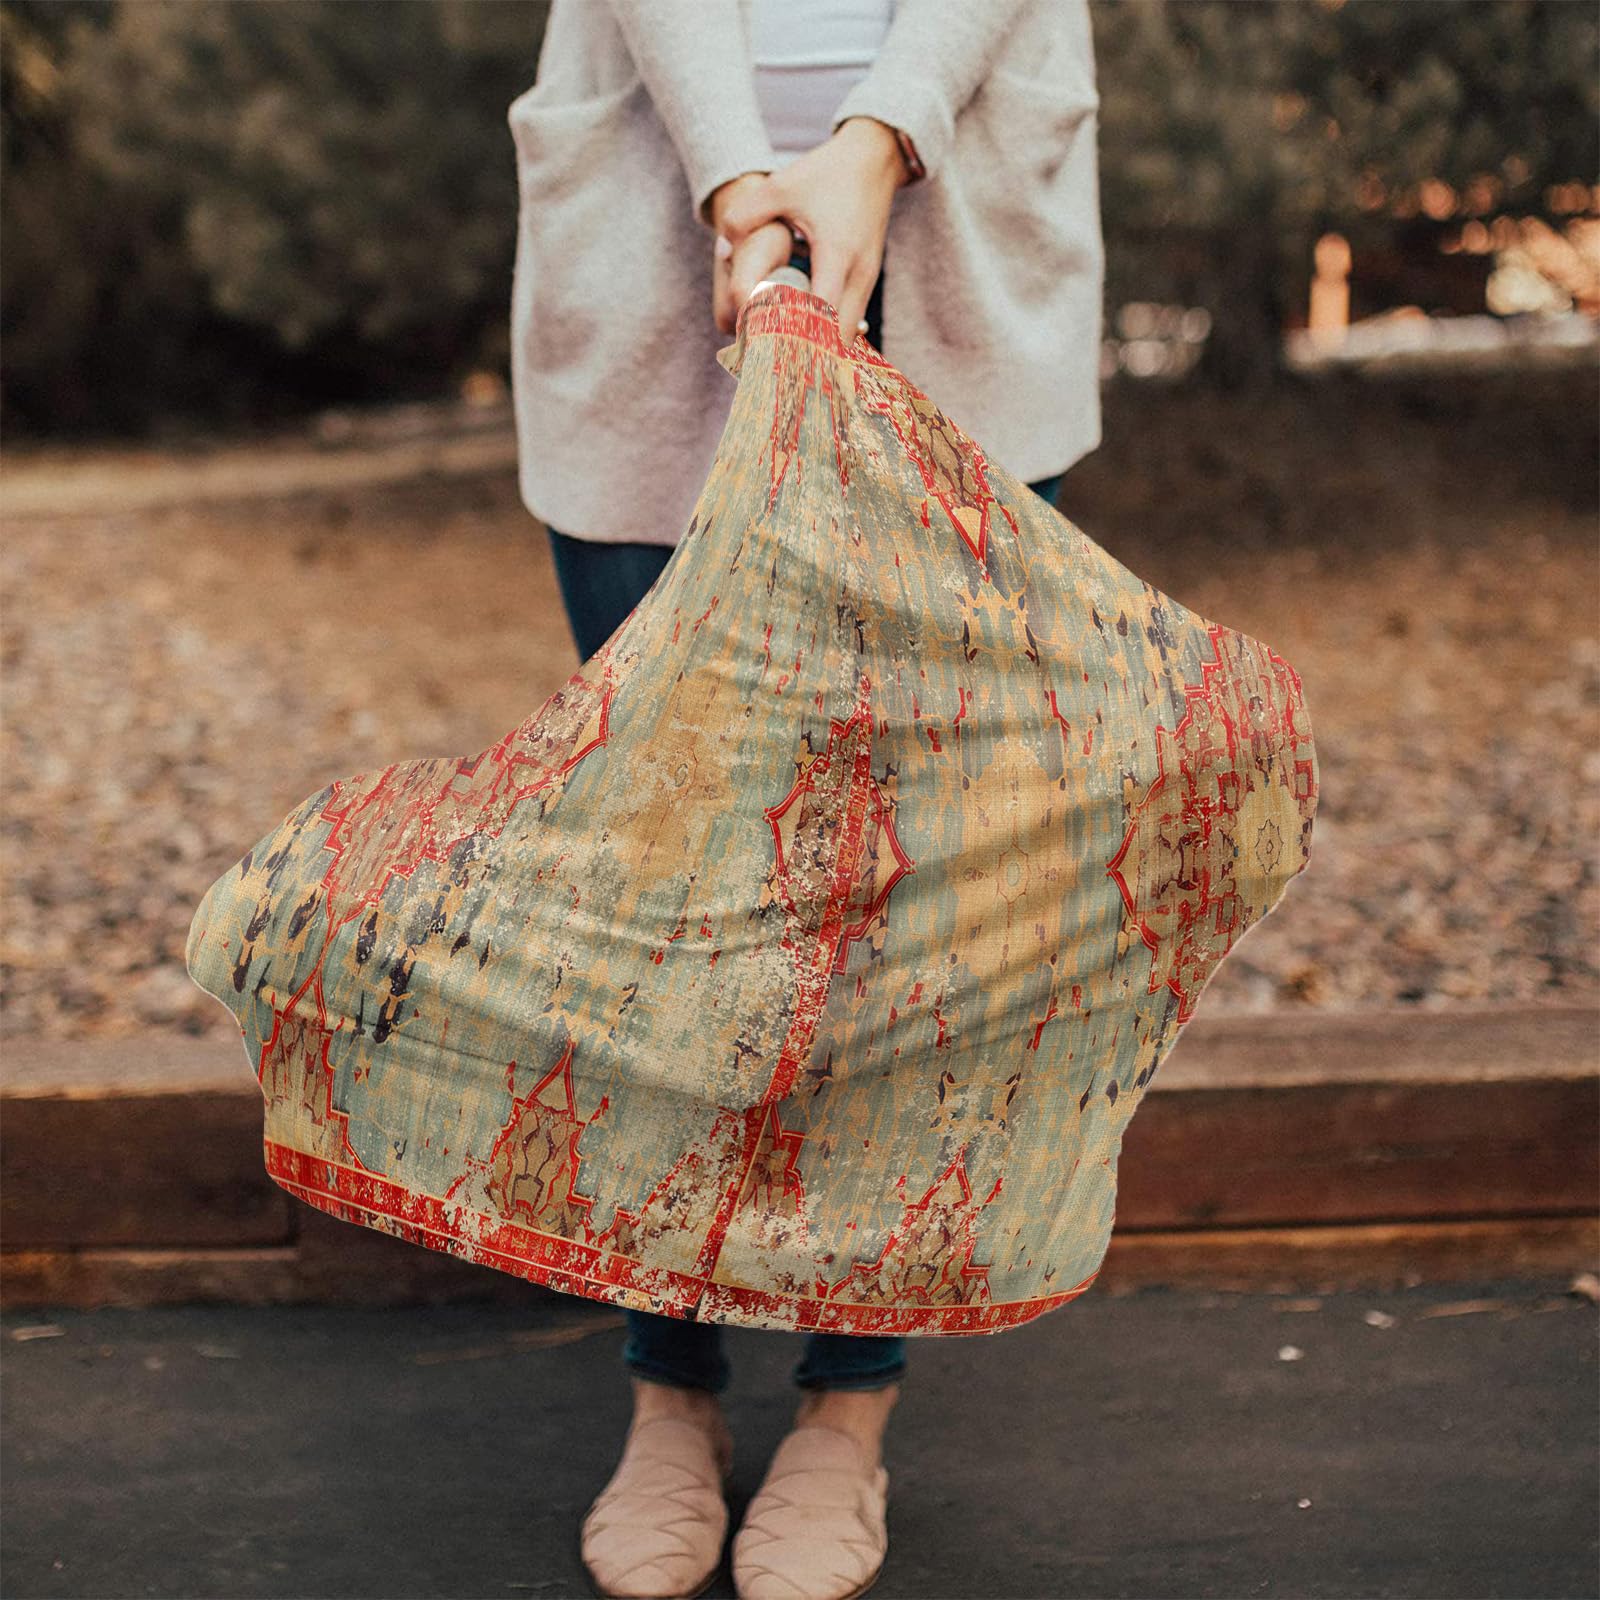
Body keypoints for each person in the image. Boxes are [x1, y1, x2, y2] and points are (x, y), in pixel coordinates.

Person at [506, 3, 1103, 1595]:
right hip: (657, 221)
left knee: (904, 900)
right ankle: (670, 1388)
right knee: (671, 883)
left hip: (959, 223)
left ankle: (849, 1405)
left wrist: (877, 136)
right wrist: (733, 178)